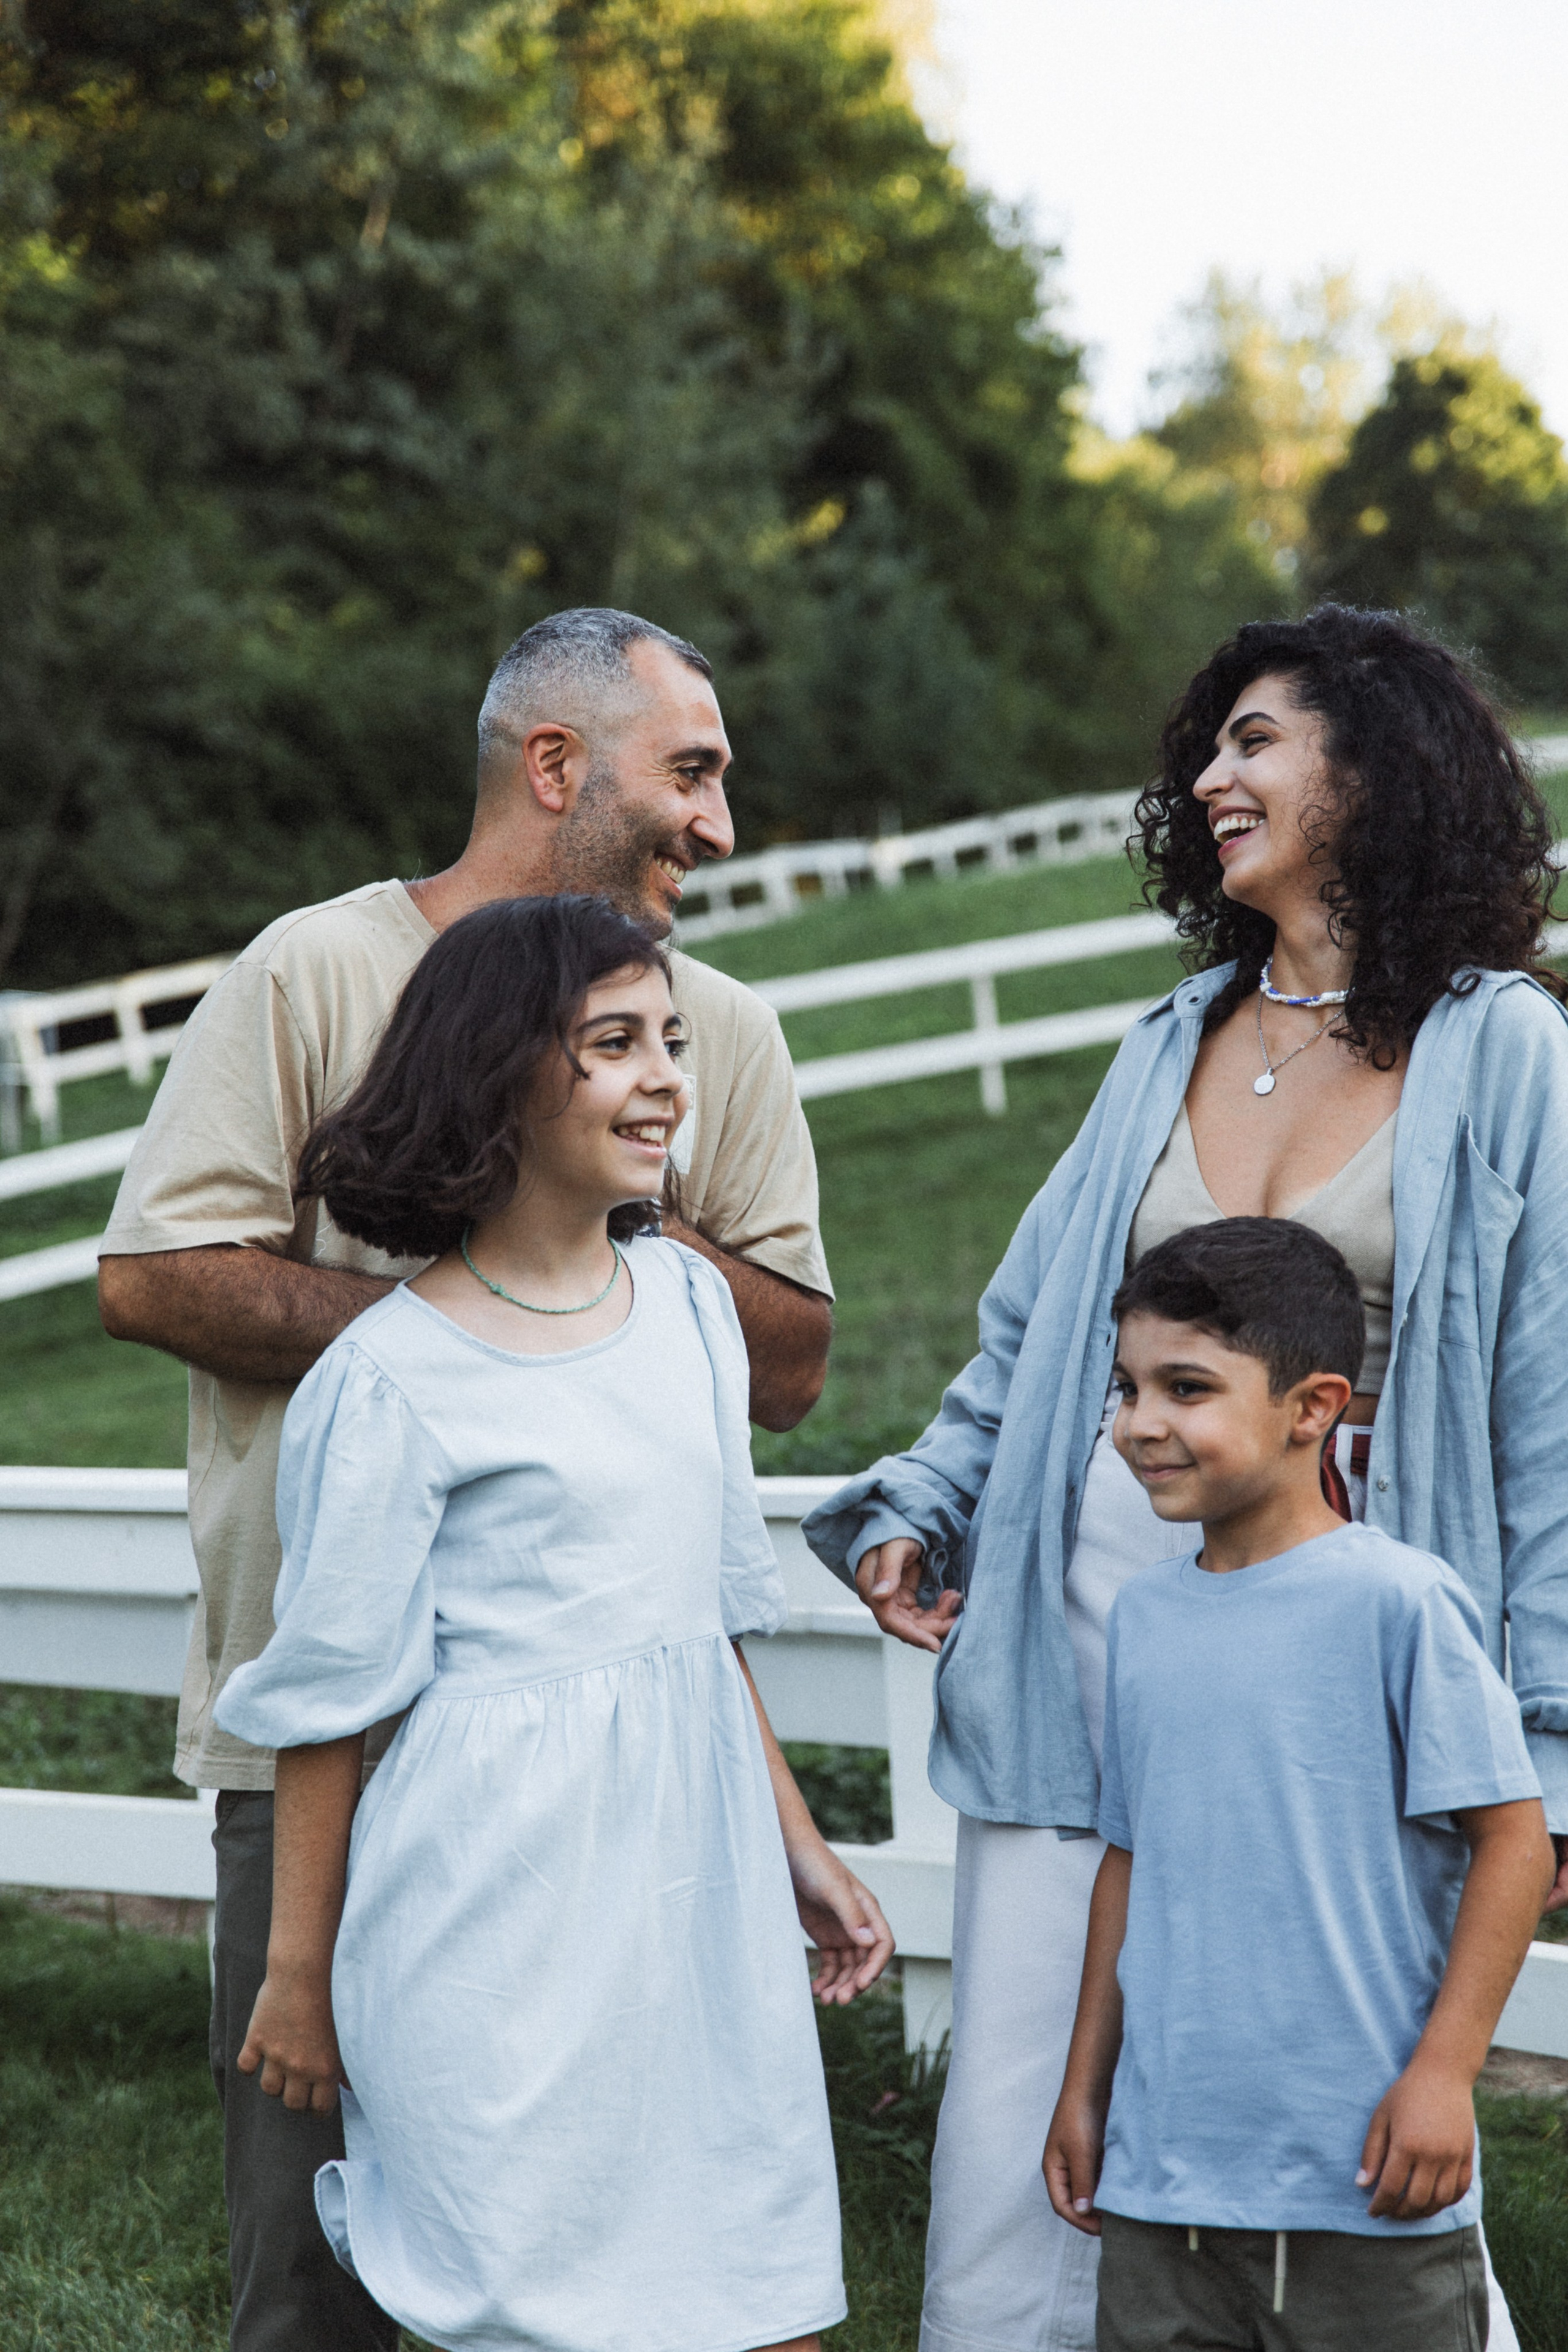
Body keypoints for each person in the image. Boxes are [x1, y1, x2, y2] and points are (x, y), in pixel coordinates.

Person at [803, 603, 1568, 2352]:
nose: (1213, 777)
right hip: (1097, 1592)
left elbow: (1556, 1410)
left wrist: (1547, 1729)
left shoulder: (1507, 1047)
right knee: (1030, 2031)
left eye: (1258, 742)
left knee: (1326, 2025)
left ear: (1374, 770)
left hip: (1348, 1608)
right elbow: (1036, 1327)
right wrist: (928, 1501)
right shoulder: (1172, 1040)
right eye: (1208, 750)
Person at [97, 608, 835, 2352]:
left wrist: (605, 1257)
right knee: (329, 2264)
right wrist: (460, 1331)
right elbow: (151, 1277)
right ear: (556, 765)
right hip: (342, 1739)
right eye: (695, 773)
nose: (720, 828)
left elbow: (788, 1358)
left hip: (642, 1788)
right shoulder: (314, 972)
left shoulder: (706, 1026)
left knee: (683, 2230)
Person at [211, 894, 889, 2352]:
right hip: (495, 1911)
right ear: (505, 1074)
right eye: (614, 1045)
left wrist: (798, 1845)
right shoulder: (391, 1380)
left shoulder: (694, 1314)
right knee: (541, 2306)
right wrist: (294, 1974)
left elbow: (702, 1619)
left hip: (691, 1898)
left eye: (671, 1042)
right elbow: (333, 1704)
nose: (666, 1080)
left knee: (761, 2295)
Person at [1042, 1218, 1552, 2352]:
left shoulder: (1397, 1603)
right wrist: (1088, 2091)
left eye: (1187, 1388)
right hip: (1164, 2190)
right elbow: (1129, 1863)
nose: (1141, 1425)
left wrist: (1446, 2073)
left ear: (1312, 1406)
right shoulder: (1145, 1618)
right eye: (1125, 1388)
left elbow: (1515, 1841)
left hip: (1365, 2187)